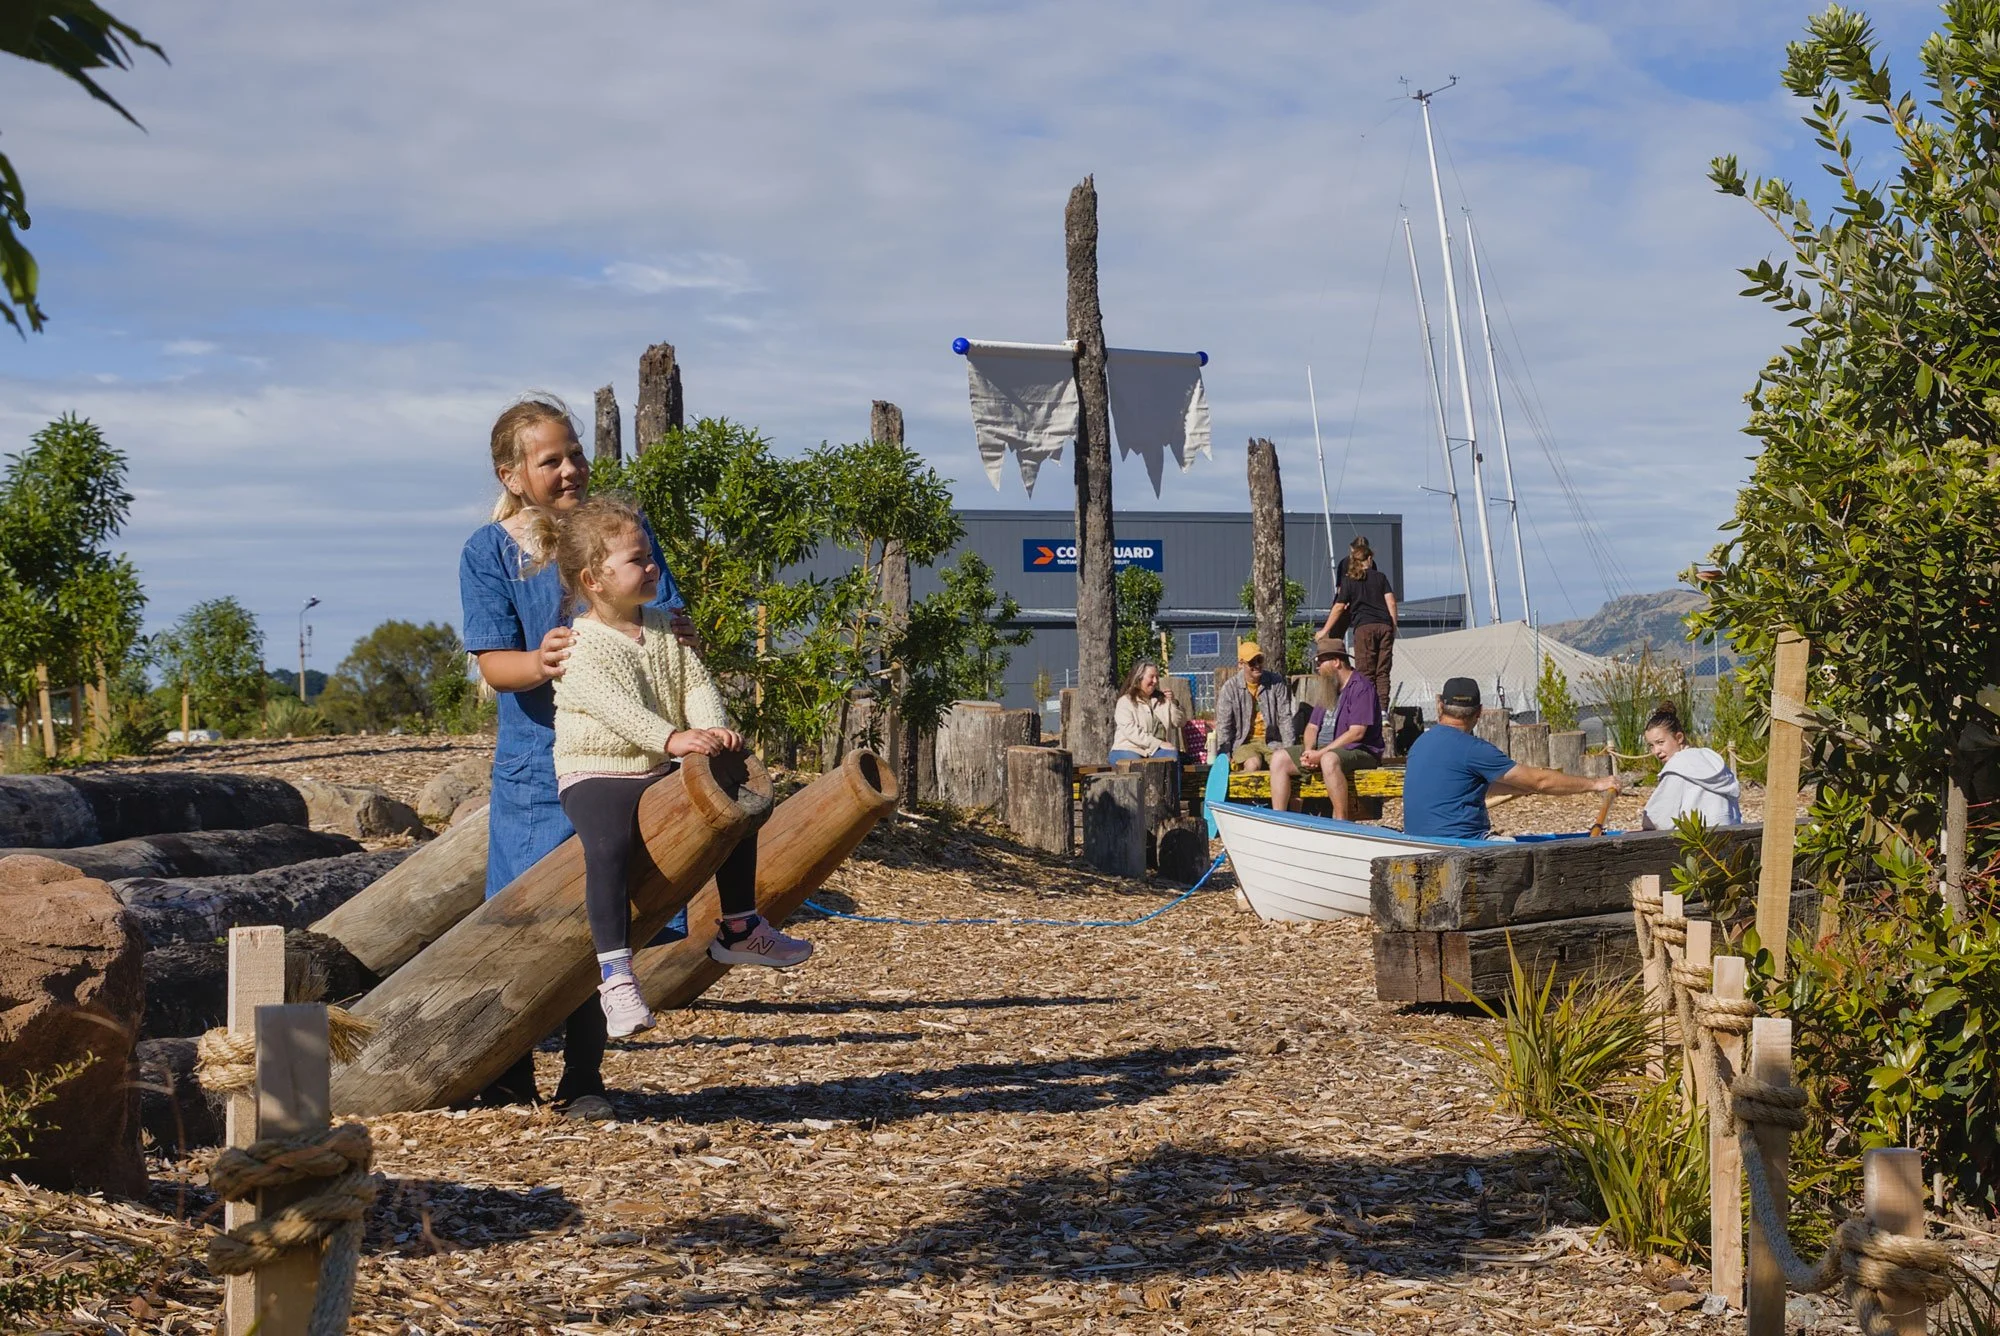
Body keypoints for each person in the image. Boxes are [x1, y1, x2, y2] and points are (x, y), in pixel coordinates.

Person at [457, 394, 692, 1118]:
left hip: (623, 758)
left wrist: (674, 631)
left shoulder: (621, 532)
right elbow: (493, 664)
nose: (569, 470)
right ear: (512, 476)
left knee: (604, 912)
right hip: (538, 766)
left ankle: (585, 1076)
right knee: (524, 920)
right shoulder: (489, 552)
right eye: (550, 460)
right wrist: (541, 660)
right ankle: (507, 1074)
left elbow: (665, 616)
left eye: (576, 454)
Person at [530, 495, 812, 1040]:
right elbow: (616, 709)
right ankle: (615, 974)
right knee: (609, 845)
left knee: (736, 800)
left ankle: (739, 924)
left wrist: (711, 730)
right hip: (597, 771)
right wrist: (673, 738)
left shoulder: (665, 627)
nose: (651, 566)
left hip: (657, 765)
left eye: (649, 556)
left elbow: (695, 683)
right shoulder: (578, 645)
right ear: (594, 579)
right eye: (637, 560)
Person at [1403, 676, 1618, 839]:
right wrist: (1596, 784)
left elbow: (1462, 787)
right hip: (1465, 844)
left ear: (1440, 706)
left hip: (1417, 841)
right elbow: (1540, 781)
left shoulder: (1420, 744)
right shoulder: (1474, 749)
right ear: (1479, 712)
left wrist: (1520, 788)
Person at [1270, 638, 1381, 819]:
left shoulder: (1361, 687)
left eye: (1321, 662)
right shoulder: (1329, 688)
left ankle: (1340, 822)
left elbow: (1357, 733)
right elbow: (1312, 727)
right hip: (1323, 750)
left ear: (1336, 662)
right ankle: (1278, 820)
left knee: (1329, 759)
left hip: (1359, 750)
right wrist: (1308, 752)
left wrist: (1321, 754)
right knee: (1279, 758)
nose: (1318, 667)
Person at [1318, 536, 1397, 745]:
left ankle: (1367, 711)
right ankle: (1383, 711)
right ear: (1369, 559)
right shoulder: (1380, 577)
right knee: (1382, 671)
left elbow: (1339, 606)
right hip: (1384, 626)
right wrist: (1393, 625)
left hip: (1364, 627)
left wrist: (1325, 630)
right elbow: (1391, 601)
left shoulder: (1348, 581)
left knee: (1365, 672)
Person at [1639, 700, 1741, 830]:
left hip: (1696, 840)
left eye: (1660, 742)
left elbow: (1656, 820)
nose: (1656, 751)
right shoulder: (1712, 761)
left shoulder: (1677, 769)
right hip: (1729, 836)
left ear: (1679, 738)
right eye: (1651, 746)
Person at [1211, 641, 1299, 774]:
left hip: (1273, 742)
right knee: (1253, 765)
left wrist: (1289, 750)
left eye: (1260, 660)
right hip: (1244, 743)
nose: (1257, 665)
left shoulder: (1275, 682)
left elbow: (1285, 718)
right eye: (1252, 662)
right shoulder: (1230, 688)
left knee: (1282, 765)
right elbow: (1224, 725)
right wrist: (1225, 755)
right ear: (1241, 664)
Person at [1110, 660, 1185, 796]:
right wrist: (1159, 743)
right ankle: (1137, 805)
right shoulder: (1125, 702)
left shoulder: (1162, 700)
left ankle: (1173, 800)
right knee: (1137, 767)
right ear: (1139, 678)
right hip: (1128, 748)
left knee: (1171, 757)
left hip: (1155, 751)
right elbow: (1131, 732)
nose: (1155, 681)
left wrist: (1173, 702)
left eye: (1157, 677)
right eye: (1151, 677)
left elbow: (1180, 722)